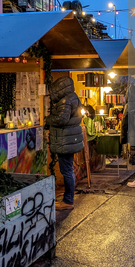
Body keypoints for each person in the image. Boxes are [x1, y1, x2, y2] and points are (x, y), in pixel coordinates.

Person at [45, 76, 85, 211]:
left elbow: (61, 119)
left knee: (66, 170)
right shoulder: (74, 97)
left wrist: (48, 119)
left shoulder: (65, 101)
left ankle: (68, 200)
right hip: (69, 139)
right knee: (68, 169)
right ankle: (68, 198)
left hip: (65, 139)